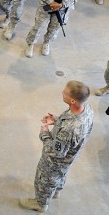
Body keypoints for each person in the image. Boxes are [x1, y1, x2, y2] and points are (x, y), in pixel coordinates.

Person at [19, 80, 93, 213]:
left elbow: (55, 152)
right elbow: (71, 123)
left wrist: (44, 133)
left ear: (72, 101)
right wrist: (57, 120)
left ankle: (40, 204)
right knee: (61, 175)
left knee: (45, 180)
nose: (62, 93)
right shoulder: (86, 110)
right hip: (69, 158)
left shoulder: (69, 130)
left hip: (55, 162)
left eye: (65, 93)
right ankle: (56, 191)